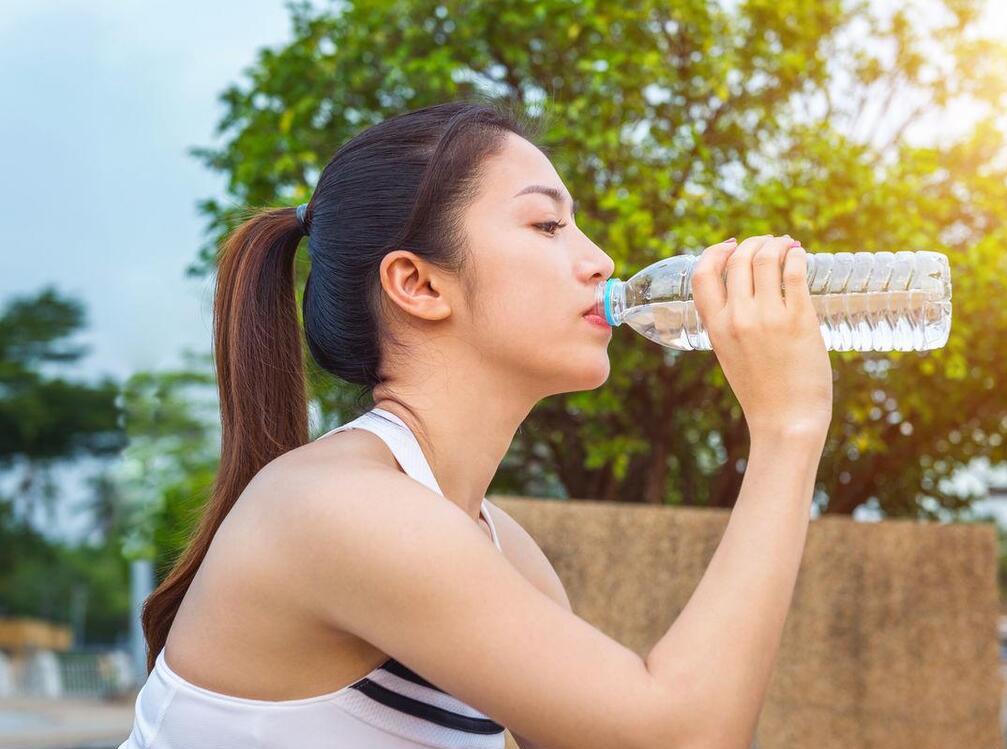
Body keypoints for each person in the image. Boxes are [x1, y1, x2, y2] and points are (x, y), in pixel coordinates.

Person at [118, 95, 832, 749]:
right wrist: (786, 429)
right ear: (419, 284)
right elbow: (682, 737)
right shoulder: (341, 507)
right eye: (548, 224)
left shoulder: (497, 547)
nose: (600, 260)